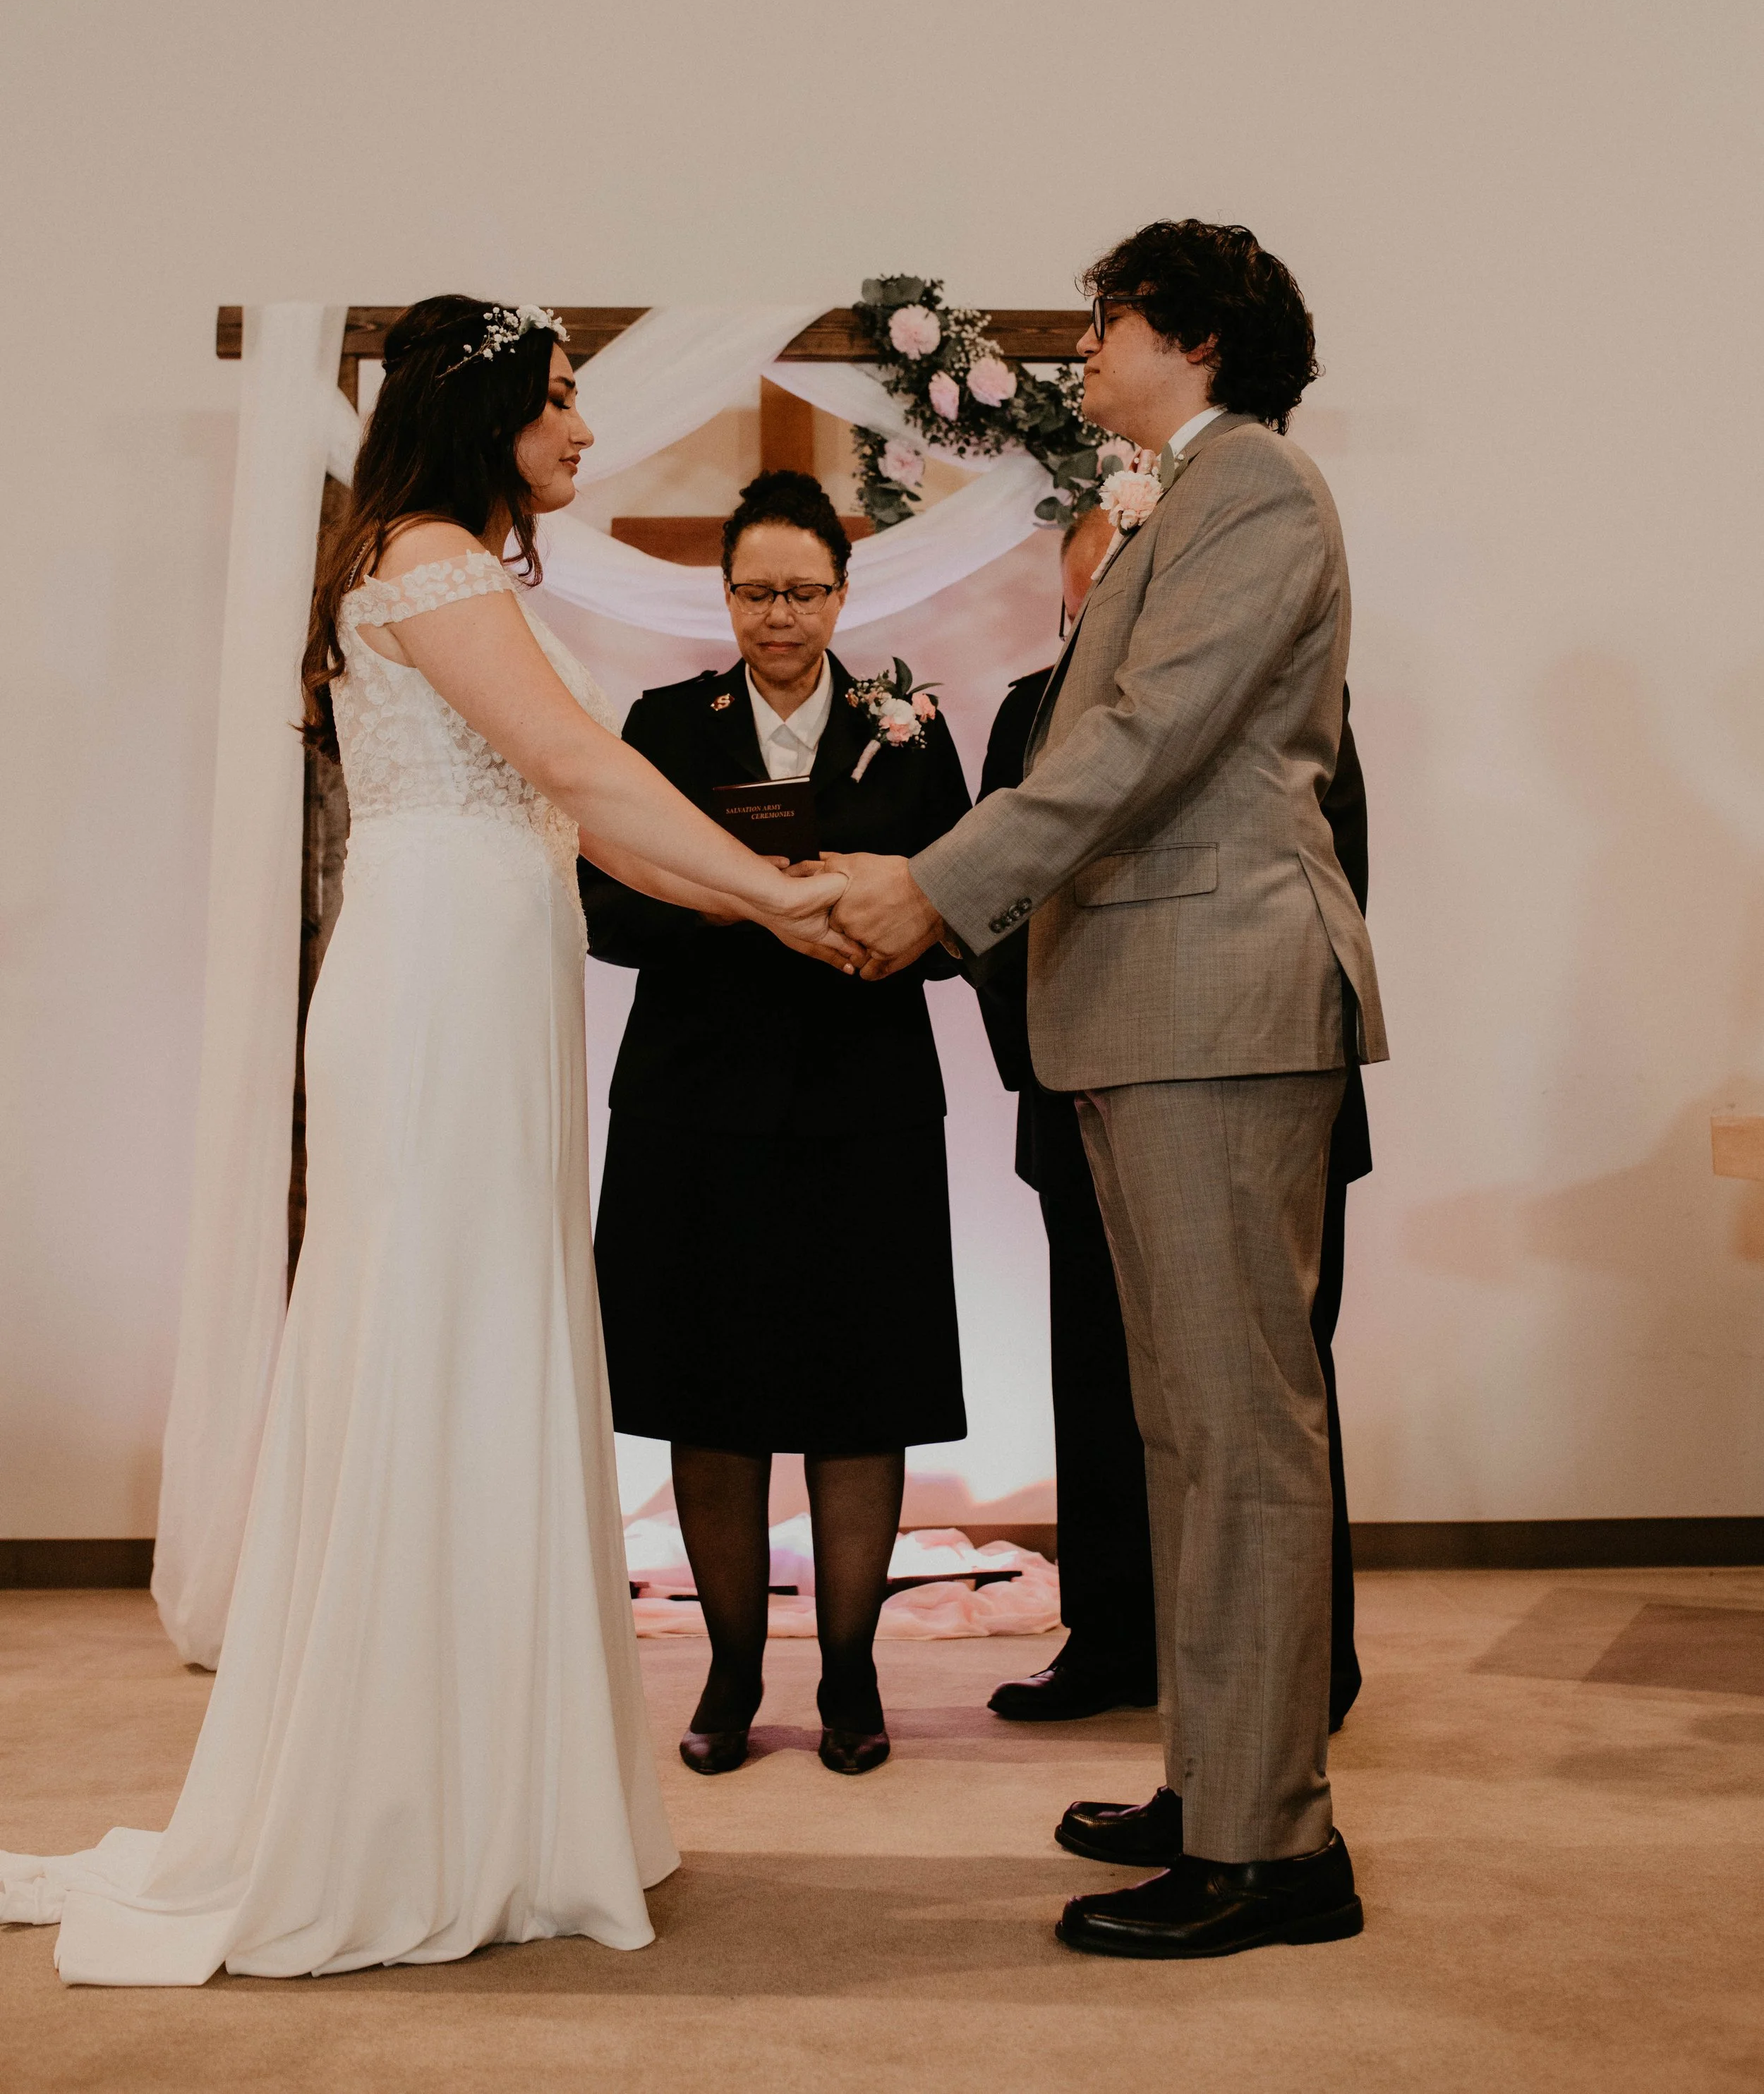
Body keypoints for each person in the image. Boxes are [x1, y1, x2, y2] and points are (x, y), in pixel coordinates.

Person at [0, 299, 853, 1983]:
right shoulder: (431, 563)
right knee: (439, 1340)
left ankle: (501, 1786)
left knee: (491, 1331)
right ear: (483, 412)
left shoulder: (433, 561)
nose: (582, 437)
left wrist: (771, 914)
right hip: (441, 989)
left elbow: (586, 821)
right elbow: (575, 769)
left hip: (479, 963)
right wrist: (778, 893)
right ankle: (407, 1800)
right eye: (557, 405)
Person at [825, 220, 1387, 1961]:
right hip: (1155, 1008)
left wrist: (933, 885)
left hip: (1214, 999)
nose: (1083, 350)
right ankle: (1220, 1783)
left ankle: (1272, 1849)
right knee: (1186, 1437)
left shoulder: (1257, 491)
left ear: (1194, 336)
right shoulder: (1185, 490)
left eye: (1105, 319)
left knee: (1240, 1439)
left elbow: (1140, 744)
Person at [581, 470, 972, 1779]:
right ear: (726, 594)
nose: (779, 617)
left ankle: (854, 1669)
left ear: (844, 594)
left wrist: (871, 927)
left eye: (804, 591)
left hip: (864, 1097)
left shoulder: (907, 727)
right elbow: (606, 906)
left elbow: (966, 907)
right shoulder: (665, 724)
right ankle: (735, 1663)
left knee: (863, 1390)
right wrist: (738, 900)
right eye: (755, 591)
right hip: (700, 1102)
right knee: (715, 1387)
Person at [977, 503, 1373, 1731]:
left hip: (1232, 1068)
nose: (1106, 617)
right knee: (1104, 1382)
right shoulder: (1026, 715)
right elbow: (1005, 903)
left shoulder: (1274, 698)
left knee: (1259, 1391)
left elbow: (1324, 881)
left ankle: (1303, 1662)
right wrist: (1043, 1059)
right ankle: (1111, 1638)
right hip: (1076, 1080)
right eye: (1086, 596)